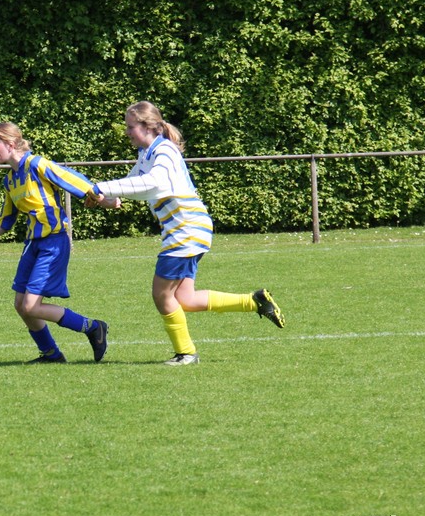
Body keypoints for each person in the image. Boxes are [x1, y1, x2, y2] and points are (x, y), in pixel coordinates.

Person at [87, 100, 285, 365]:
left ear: (148, 126)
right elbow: (132, 185)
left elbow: (153, 183)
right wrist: (106, 199)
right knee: (186, 299)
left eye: (130, 126)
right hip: (187, 230)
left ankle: (186, 353)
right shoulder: (147, 154)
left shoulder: (164, 151)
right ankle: (255, 302)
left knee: (161, 295)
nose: (127, 132)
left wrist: (102, 187)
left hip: (185, 230)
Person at [0, 122, 111, 364]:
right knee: (21, 305)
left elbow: (73, 179)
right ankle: (51, 354)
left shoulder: (37, 164)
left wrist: (102, 198)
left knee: (31, 306)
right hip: (33, 244)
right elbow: (5, 220)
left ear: (10, 144)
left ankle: (93, 327)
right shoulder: (10, 180)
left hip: (54, 242)